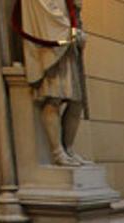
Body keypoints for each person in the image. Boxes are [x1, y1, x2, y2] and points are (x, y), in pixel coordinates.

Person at [18, 0, 90, 167]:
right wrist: (70, 32)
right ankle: (58, 152)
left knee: (77, 102)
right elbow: (46, 12)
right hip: (51, 51)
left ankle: (69, 148)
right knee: (54, 99)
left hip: (69, 49)